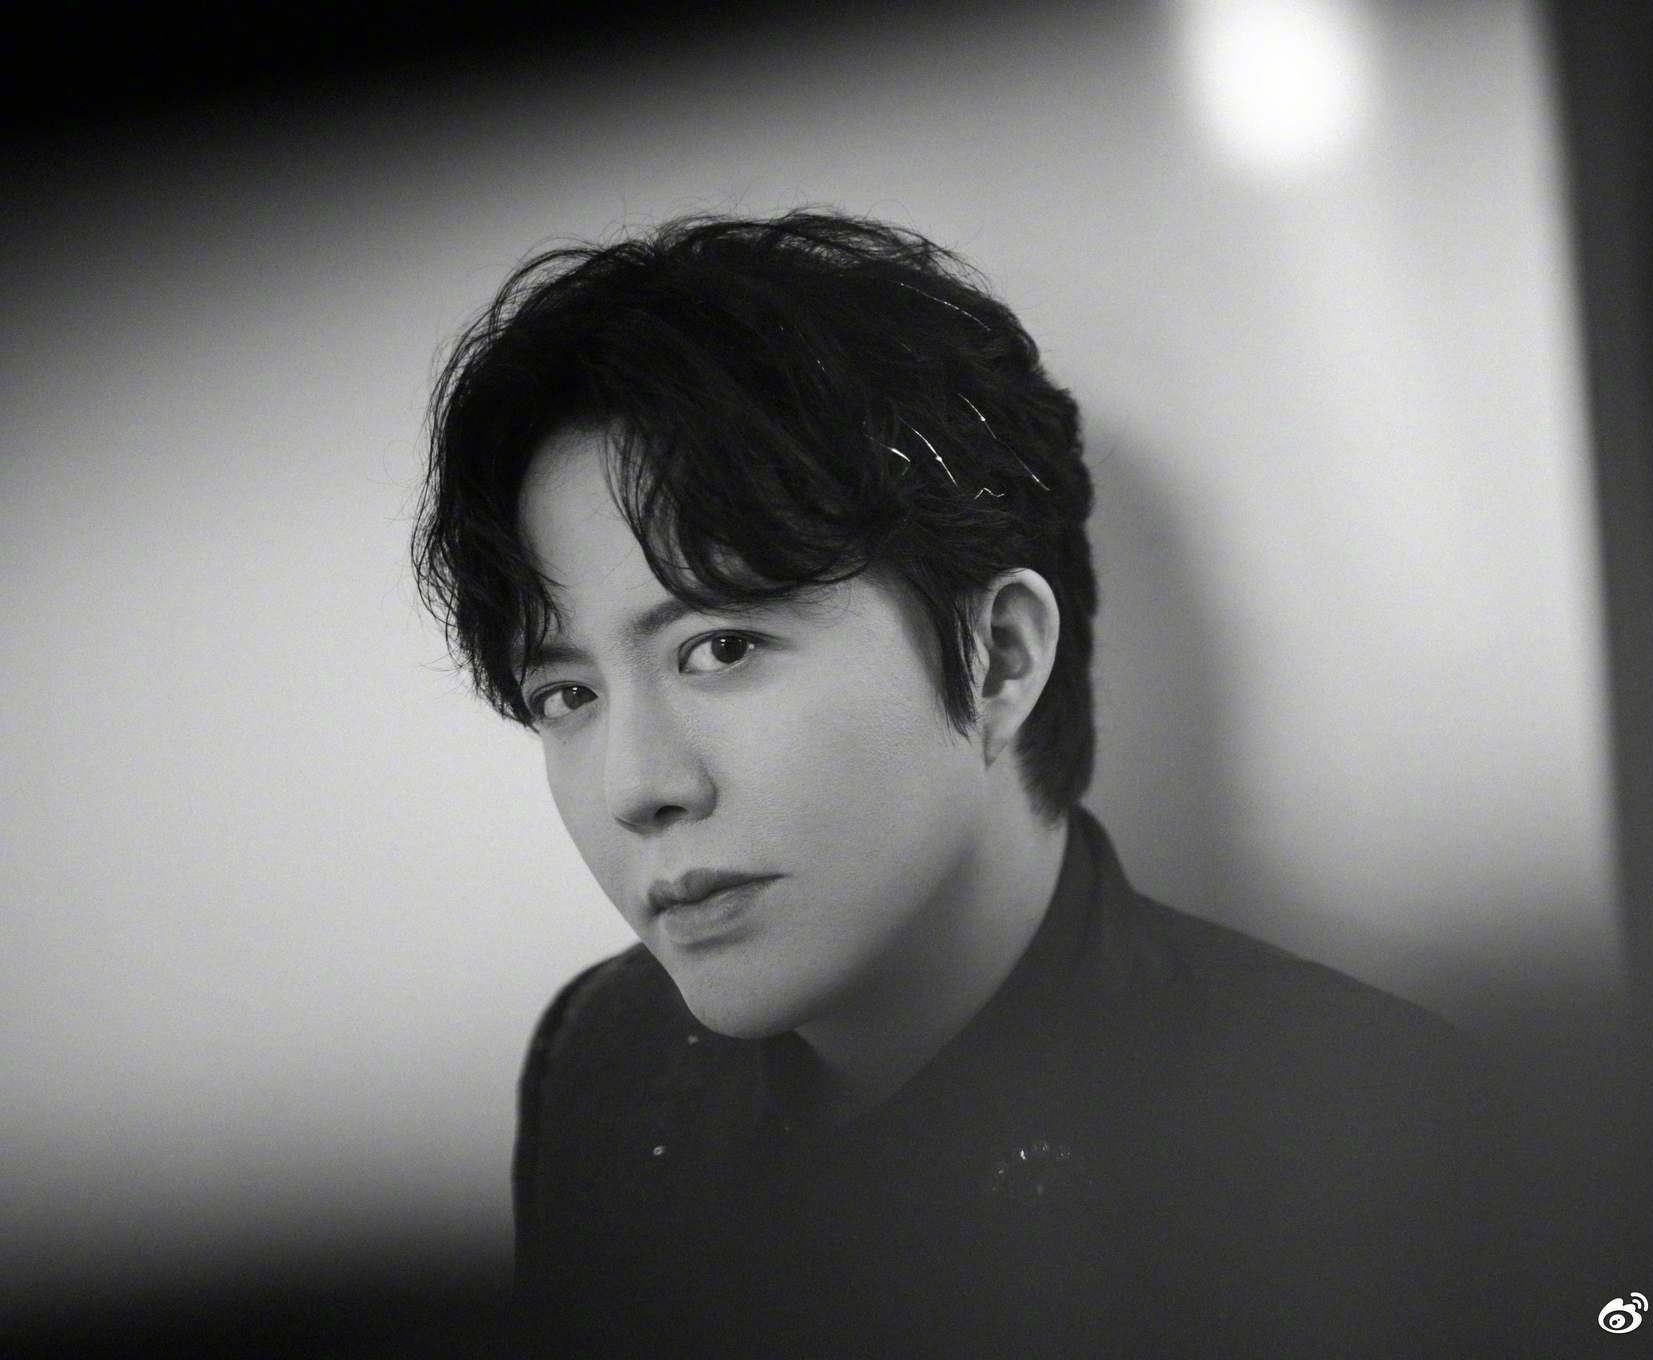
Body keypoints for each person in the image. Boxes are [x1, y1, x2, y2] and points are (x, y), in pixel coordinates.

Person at [413, 211, 1496, 1357]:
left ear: (1002, 657)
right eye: (565, 694)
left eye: (720, 648)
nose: (636, 786)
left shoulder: (1385, 1131)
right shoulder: (605, 1058)